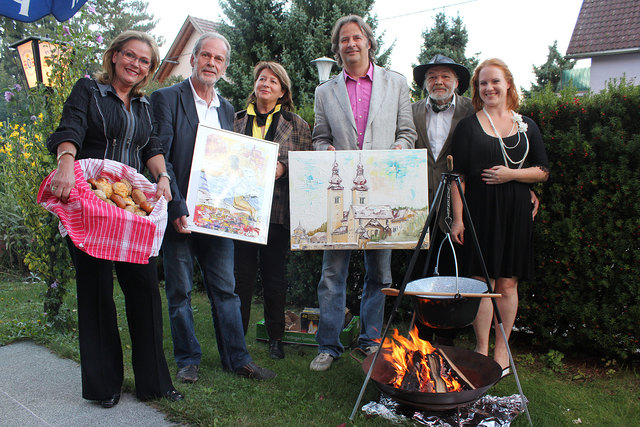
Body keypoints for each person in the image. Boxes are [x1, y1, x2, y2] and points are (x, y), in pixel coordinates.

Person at [46, 31, 183, 408]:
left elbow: (152, 145)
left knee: (144, 290)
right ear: (115, 56)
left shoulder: (142, 105)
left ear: (149, 69)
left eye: (144, 61)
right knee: (96, 292)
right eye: (130, 55)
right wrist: (64, 165)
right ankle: (104, 385)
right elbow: (70, 128)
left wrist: (164, 178)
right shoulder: (88, 91)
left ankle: (154, 383)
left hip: (128, 210)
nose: (135, 64)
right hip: (91, 204)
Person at [151, 32, 276, 383]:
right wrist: (175, 206)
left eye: (218, 59)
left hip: (217, 218)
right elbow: (161, 154)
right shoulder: (167, 99)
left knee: (226, 290)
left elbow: (230, 166)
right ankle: (188, 359)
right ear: (193, 59)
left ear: (225, 66)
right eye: (206, 55)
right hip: (180, 214)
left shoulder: (226, 108)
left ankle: (237, 360)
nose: (211, 63)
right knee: (180, 291)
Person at [310, 15, 416, 371]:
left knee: (380, 274)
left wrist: (401, 149)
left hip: (383, 190)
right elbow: (319, 137)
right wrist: (325, 151)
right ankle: (328, 344)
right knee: (331, 275)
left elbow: (407, 132)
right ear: (337, 47)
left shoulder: (395, 83)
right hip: (342, 194)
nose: (350, 44)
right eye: (344, 40)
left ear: (369, 42)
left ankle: (371, 340)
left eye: (356, 38)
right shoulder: (324, 92)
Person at [450, 58, 549, 373]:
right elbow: (459, 177)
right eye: (483, 83)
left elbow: (543, 171)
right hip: (479, 213)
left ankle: (502, 349)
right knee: (481, 282)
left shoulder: (527, 126)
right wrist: (458, 218)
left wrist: (511, 175)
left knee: (507, 284)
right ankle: (480, 348)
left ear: (508, 84)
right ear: (478, 90)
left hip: (515, 214)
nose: (489, 88)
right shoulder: (468, 125)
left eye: (495, 81)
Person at [233, 62, 312, 359]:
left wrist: (285, 166)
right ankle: (236, 338)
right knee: (240, 278)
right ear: (255, 85)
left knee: (274, 277)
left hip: (277, 212)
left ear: (282, 91)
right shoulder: (236, 121)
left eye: (273, 80)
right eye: (262, 79)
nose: (266, 83)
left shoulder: (297, 124)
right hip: (240, 212)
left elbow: (307, 164)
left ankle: (276, 337)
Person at [410, 54, 475, 345]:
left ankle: (447, 337)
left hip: (456, 200)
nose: (439, 81)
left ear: (457, 82)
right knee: (418, 268)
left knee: (451, 267)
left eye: (445, 76)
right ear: (425, 83)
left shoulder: (472, 110)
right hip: (418, 201)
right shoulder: (410, 112)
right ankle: (420, 336)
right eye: (433, 76)